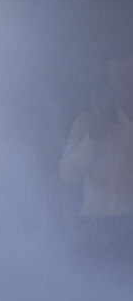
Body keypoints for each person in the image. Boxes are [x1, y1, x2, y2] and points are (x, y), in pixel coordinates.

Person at [59, 56, 133, 263]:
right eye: (115, 76)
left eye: (128, 77)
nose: (121, 84)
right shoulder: (87, 121)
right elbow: (67, 175)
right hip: (92, 228)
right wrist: (92, 138)